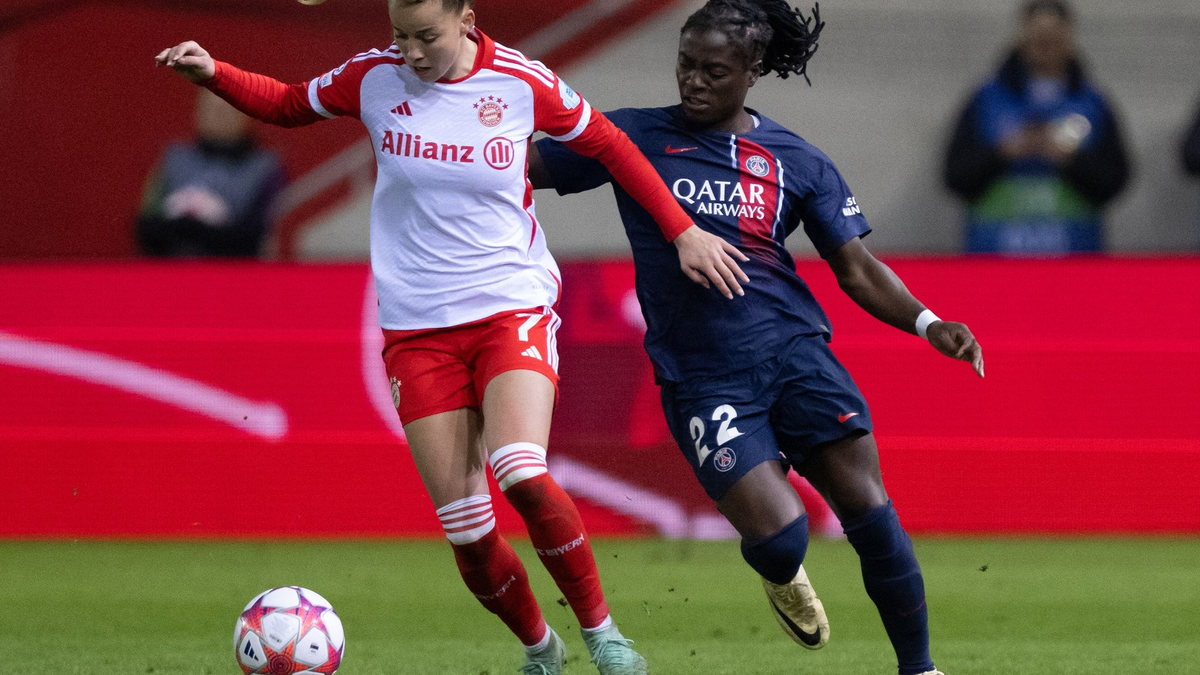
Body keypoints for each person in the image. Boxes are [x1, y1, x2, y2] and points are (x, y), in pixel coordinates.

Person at [156, 1, 752, 673]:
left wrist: (683, 230)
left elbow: (611, 146)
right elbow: (291, 103)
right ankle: (541, 650)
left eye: (426, 36)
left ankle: (605, 636)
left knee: (520, 470)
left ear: (466, 20)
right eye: (399, 35)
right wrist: (215, 73)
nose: (409, 51)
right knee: (469, 533)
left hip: (509, 309)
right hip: (416, 331)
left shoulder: (522, 83)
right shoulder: (372, 76)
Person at [528, 1, 983, 674]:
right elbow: (523, 165)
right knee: (781, 536)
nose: (694, 81)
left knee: (869, 507)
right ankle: (779, 570)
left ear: (753, 71)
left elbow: (855, 268)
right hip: (703, 376)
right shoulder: (631, 138)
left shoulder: (797, 159)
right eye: (686, 64)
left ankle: (919, 667)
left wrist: (927, 321)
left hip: (797, 354)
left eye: (714, 70)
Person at [943, 0, 1130, 254]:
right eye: (1038, 37)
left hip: (1076, 260)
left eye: (1053, 37)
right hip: (993, 259)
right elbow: (955, 175)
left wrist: (1071, 159)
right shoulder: (986, 101)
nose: (1045, 46)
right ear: (1022, 37)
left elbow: (1116, 179)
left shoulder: (1093, 104)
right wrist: (1002, 153)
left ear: (1069, 39)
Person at [137, 89, 285, 257]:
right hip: (172, 270)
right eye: (212, 109)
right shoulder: (173, 160)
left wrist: (212, 233)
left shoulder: (266, 167)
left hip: (236, 273)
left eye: (228, 109)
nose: (219, 115)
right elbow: (147, 225)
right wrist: (184, 227)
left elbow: (266, 232)